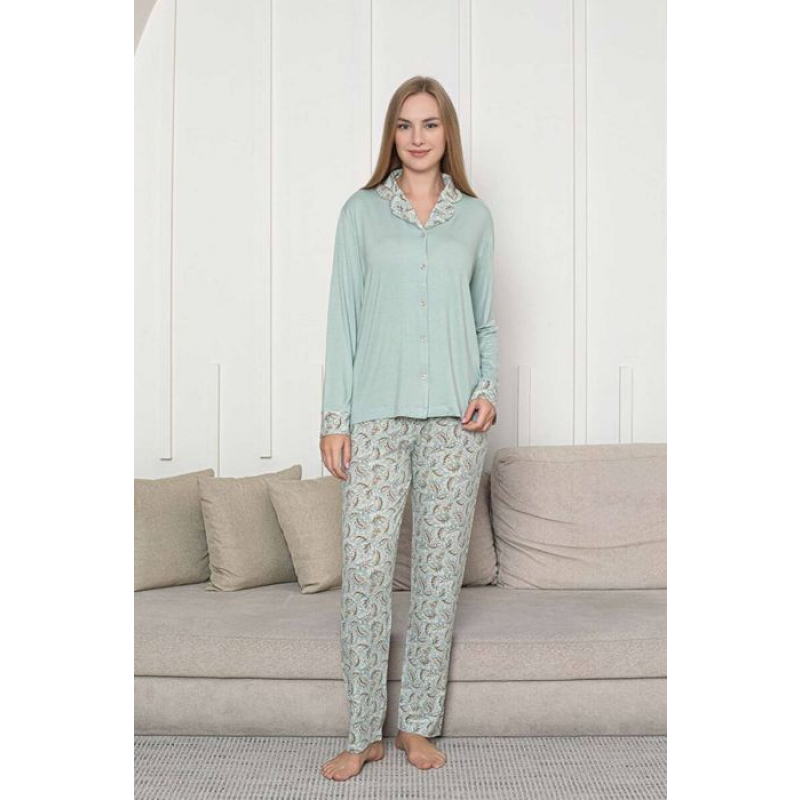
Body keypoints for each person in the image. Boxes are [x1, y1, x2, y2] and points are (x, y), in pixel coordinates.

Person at [319, 75, 499, 782]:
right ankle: (363, 731)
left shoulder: (474, 219)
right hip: (376, 416)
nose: (417, 138)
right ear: (391, 135)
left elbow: (485, 319)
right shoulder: (361, 212)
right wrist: (335, 418)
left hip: (455, 422)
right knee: (366, 571)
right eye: (404, 124)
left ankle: (416, 724)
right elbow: (342, 320)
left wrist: (486, 390)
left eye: (429, 124)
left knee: (436, 577)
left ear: (447, 132)